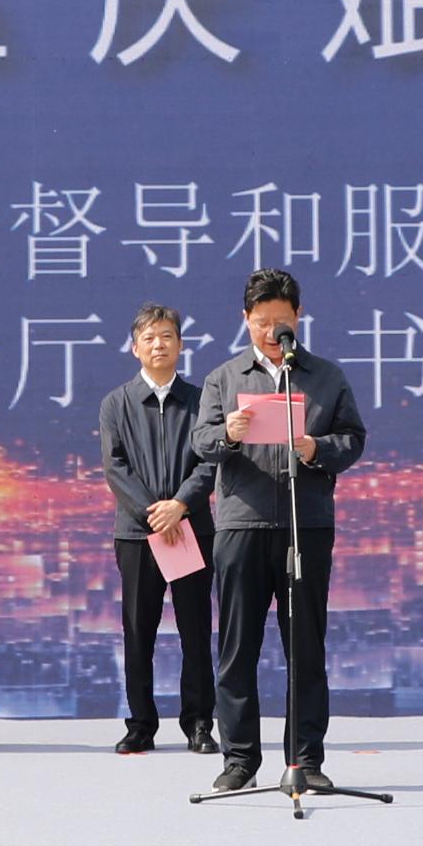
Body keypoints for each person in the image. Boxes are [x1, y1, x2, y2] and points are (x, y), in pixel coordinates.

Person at [191, 269, 368, 794]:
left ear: (299, 318)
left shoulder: (325, 376)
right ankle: (240, 759)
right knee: (237, 647)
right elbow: (201, 441)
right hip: (241, 524)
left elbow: (353, 438)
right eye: (263, 321)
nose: (273, 332)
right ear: (245, 319)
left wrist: (318, 448)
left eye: (282, 322)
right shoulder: (224, 378)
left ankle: (305, 759)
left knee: (306, 648)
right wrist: (228, 433)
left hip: (304, 524)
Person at [96, 303, 213, 755]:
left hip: (190, 528)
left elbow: (211, 461)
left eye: (166, 336)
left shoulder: (201, 400)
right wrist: (154, 514)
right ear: (135, 348)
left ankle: (199, 724)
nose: (158, 344)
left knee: (195, 629)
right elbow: (115, 467)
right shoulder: (116, 403)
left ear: (180, 345)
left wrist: (180, 506)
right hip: (138, 534)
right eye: (149, 337)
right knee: (138, 629)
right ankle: (141, 725)